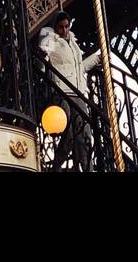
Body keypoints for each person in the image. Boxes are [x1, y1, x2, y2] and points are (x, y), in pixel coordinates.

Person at [38, 13, 100, 170]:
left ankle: (87, 168)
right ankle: (56, 167)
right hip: (62, 92)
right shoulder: (51, 38)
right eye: (61, 27)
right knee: (69, 136)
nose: (64, 30)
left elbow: (79, 68)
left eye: (67, 26)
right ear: (55, 27)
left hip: (78, 92)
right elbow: (42, 63)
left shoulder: (74, 43)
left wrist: (97, 58)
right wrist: (44, 54)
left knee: (84, 136)